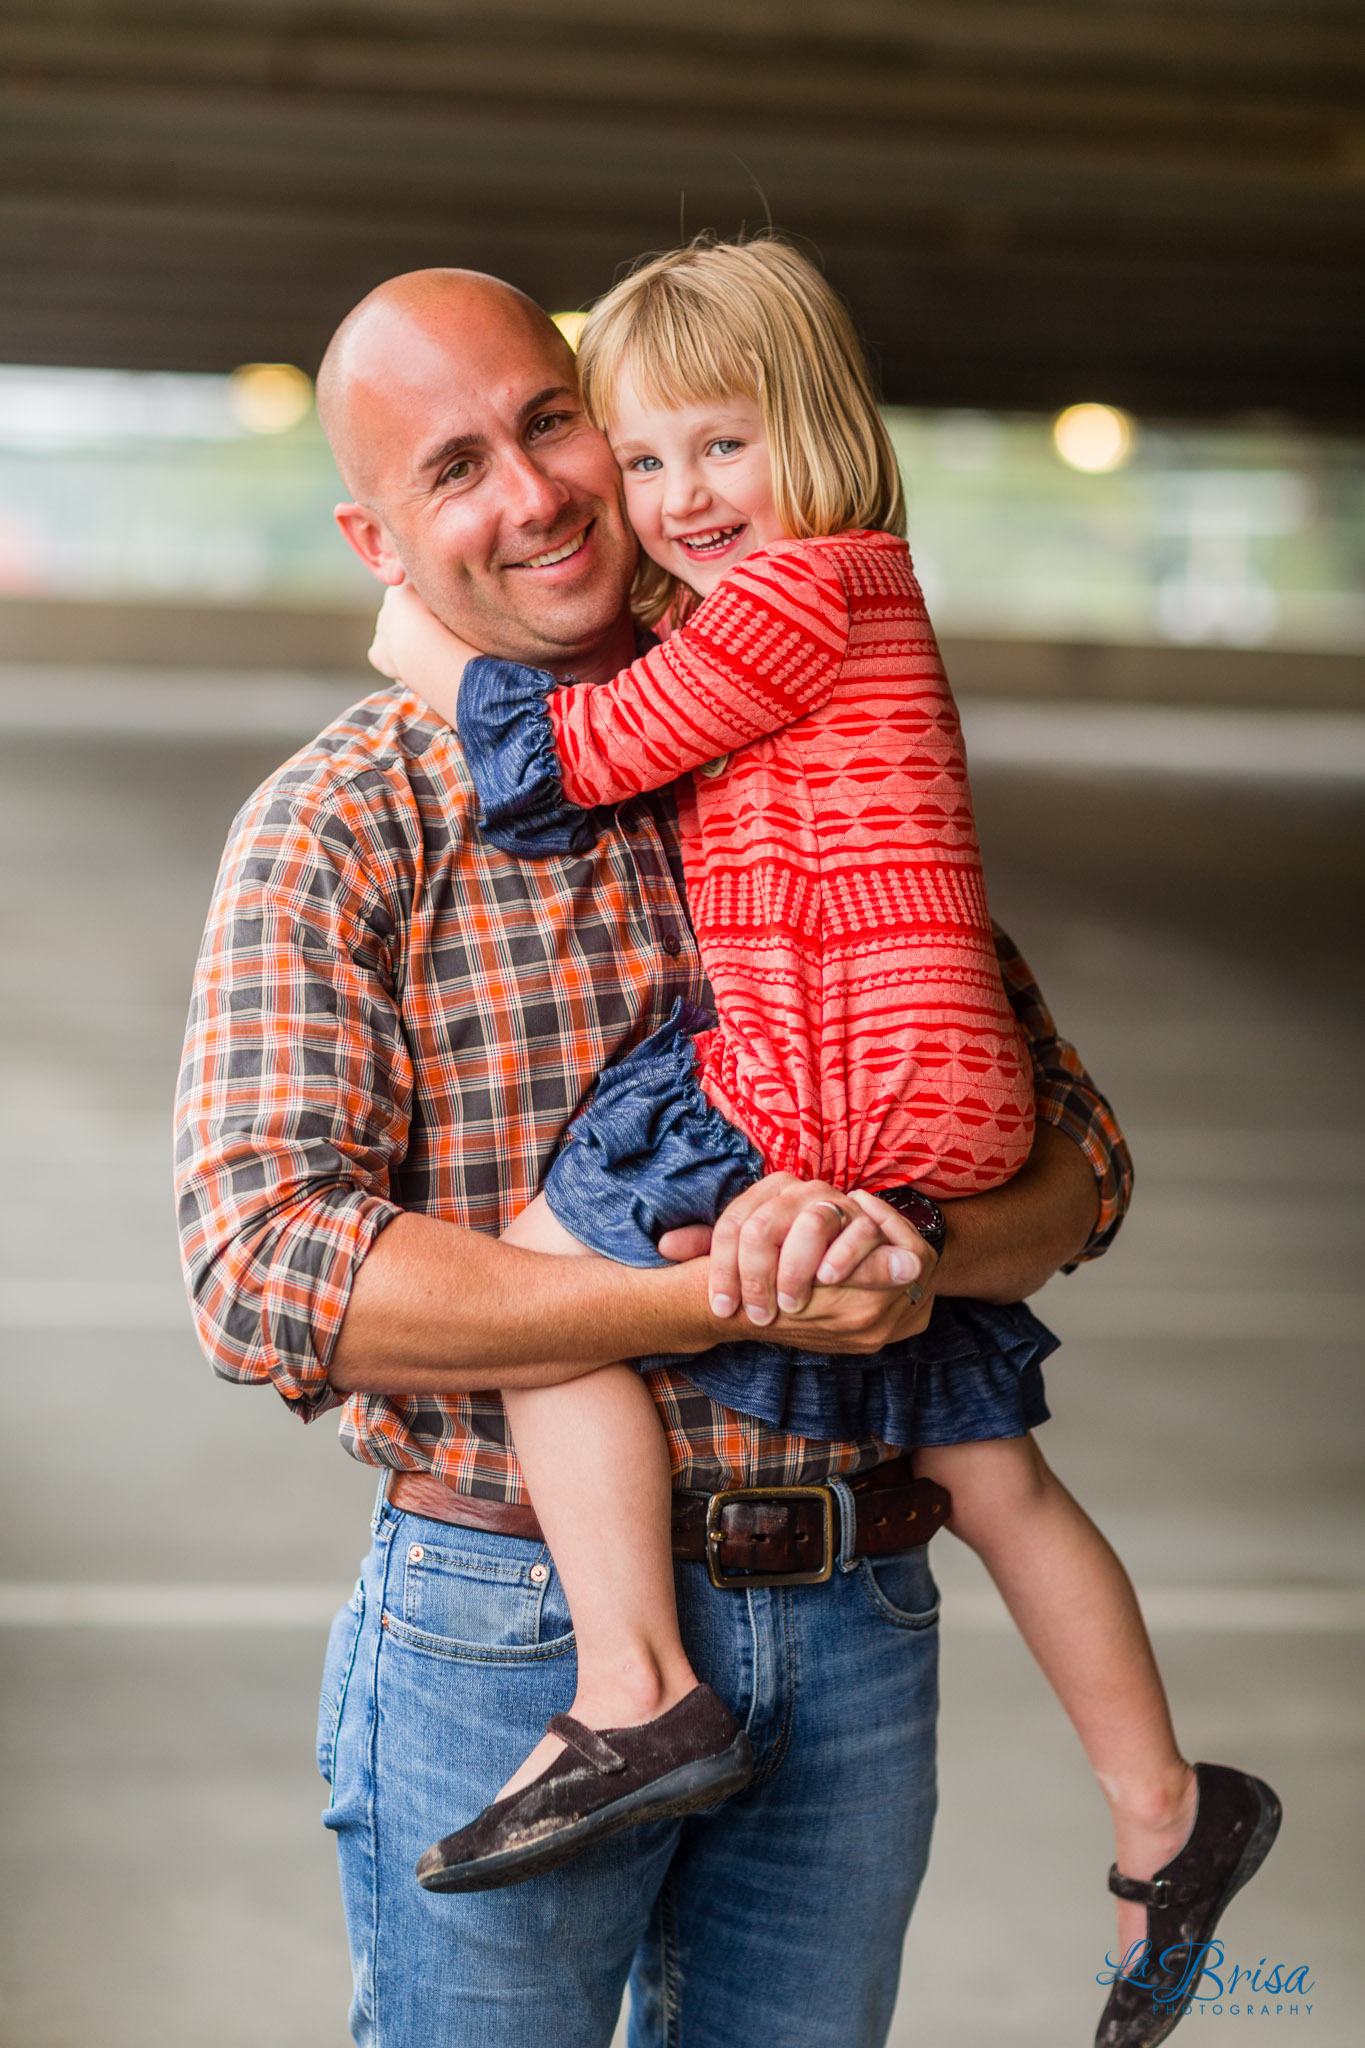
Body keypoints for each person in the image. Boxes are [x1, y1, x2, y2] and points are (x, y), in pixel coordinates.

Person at [178, 262, 1131, 2048]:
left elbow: (1075, 1165)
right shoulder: (339, 823)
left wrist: (910, 1256)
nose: (536, 493)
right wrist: (708, 1300)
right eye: (453, 468)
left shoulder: (801, 714)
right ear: (378, 541)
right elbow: (266, 1273)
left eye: (550, 424)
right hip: (505, 1633)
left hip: (848, 1603)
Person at [368, 240, 1280, 2041]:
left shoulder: (803, 589)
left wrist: (430, 658)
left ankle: (631, 1689)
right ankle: (1166, 1808)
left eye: (725, 446)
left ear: (824, 433)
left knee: (539, 1285)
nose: (680, 496)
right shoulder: (823, 597)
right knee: (988, 1469)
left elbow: (578, 759)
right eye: (647, 459)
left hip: (827, 1082)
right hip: (920, 1074)